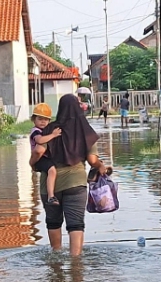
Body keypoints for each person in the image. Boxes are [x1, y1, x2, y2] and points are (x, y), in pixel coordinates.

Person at [31, 94, 107, 256]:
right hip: (76, 184)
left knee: (53, 222)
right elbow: (92, 160)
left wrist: (32, 163)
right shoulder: (85, 131)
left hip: (50, 187)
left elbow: (39, 150)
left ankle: (56, 258)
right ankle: (75, 261)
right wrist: (101, 166)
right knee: (76, 224)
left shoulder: (51, 129)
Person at [30, 103, 63, 206]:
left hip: (46, 157)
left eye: (46, 119)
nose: (43, 121)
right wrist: (53, 135)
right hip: (40, 159)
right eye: (40, 119)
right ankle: (51, 196)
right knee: (52, 170)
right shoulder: (36, 131)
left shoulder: (46, 130)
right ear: (34, 120)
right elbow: (40, 140)